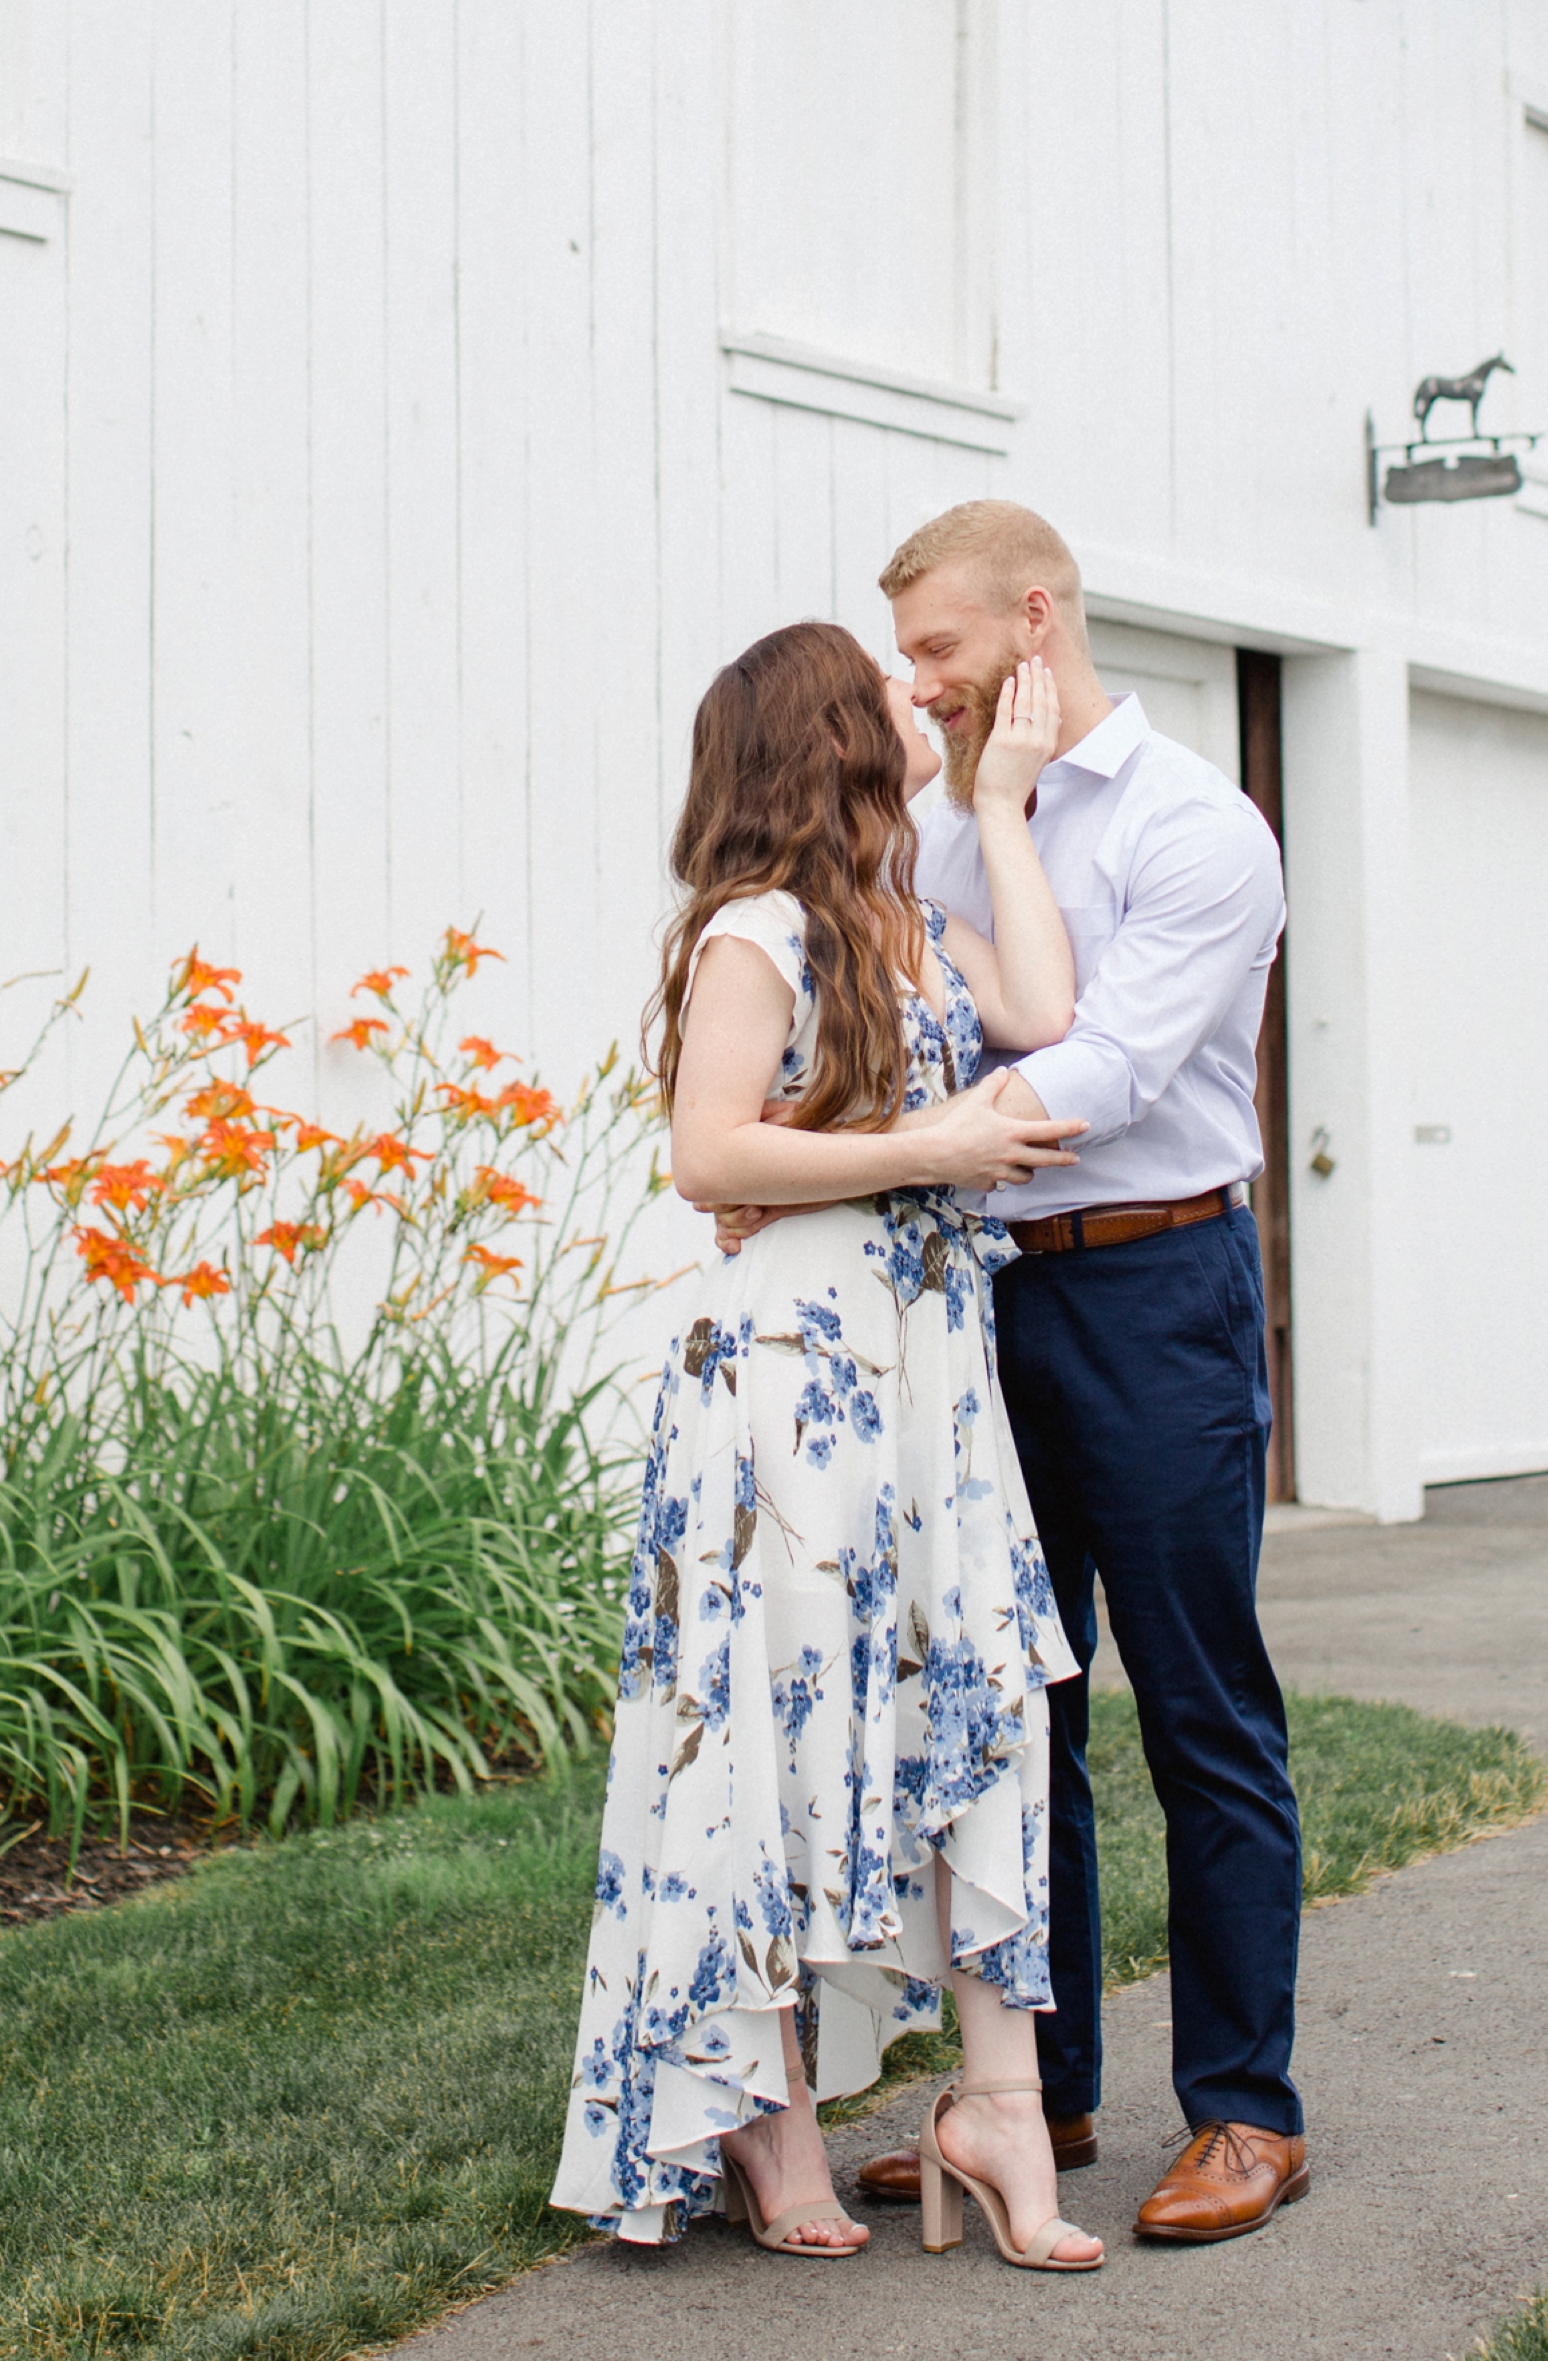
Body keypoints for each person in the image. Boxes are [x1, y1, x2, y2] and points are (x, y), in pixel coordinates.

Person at [552, 618, 1108, 2271]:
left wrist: (1001, 804)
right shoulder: (759, 930)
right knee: (775, 1729)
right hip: (794, 1384)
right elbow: (704, 1147)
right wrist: (935, 1140)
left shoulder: (905, 920)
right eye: (886, 690)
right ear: (825, 735)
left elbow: (1047, 1002)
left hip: (929, 1375)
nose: (915, 696)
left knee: (971, 1693)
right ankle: (761, 2108)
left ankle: (997, 2103)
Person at [853, 499, 1310, 2248]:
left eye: (942, 652)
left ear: (1033, 623)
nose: (922, 683)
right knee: (1017, 1715)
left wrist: (888, 1154)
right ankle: (1033, 2097)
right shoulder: (951, 825)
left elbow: (1099, 1069)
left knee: (1203, 1710)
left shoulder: (1203, 826)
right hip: (988, 1298)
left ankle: (1246, 2110)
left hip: (1160, 1291)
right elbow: (900, 1036)